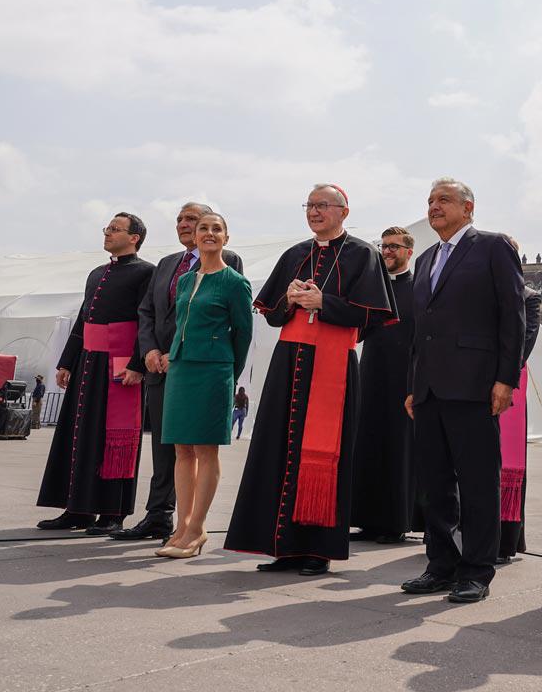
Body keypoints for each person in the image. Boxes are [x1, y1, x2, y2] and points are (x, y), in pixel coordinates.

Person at [224, 185, 396, 575]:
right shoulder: (294, 254)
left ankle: (317, 549)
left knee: (324, 454)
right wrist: (288, 299)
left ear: (343, 211)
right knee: (278, 448)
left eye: (322, 205)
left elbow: (372, 317)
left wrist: (325, 303)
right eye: (309, 205)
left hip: (332, 362)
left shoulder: (363, 254)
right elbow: (272, 315)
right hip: (288, 361)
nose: (314, 212)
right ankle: (282, 546)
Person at [401, 178, 525, 604]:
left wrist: (506, 379)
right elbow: (420, 330)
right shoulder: (426, 259)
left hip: (474, 385)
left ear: (468, 208)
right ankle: (440, 564)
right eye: (430, 201)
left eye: (444, 200)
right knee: (434, 485)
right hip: (429, 389)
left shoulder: (492, 247)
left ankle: (476, 570)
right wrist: (413, 385)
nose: (434, 207)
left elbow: (512, 315)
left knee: (477, 483)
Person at [114, 203, 244, 542]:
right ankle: (161, 516)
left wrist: (220, 371)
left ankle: (192, 526)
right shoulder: (170, 267)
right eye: (182, 220)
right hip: (162, 367)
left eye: (194, 220)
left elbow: (234, 330)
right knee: (167, 448)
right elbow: (148, 312)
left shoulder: (229, 266)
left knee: (200, 449)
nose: (187, 225)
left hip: (202, 367)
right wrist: (150, 352)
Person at [36, 214, 155, 534]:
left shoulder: (146, 271)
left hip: (121, 364)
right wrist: (66, 362)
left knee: (115, 438)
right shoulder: (96, 273)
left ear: (134, 238)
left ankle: (113, 513)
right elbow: (83, 319)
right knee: (80, 434)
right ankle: (78, 509)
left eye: (115, 229)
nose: (107, 233)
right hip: (88, 362)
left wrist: (137, 364)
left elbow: (148, 320)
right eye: (107, 228)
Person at [155, 212, 253, 559]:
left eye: (216, 229)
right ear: (194, 237)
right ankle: (181, 526)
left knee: (206, 450)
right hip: (181, 368)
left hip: (213, 370)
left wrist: (228, 374)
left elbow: (243, 334)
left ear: (226, 237)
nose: (209, 233)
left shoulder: (235, 282)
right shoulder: (185, 281)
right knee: (182, 450)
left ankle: (197, 528)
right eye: (203, 229)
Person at [350, 226, 422, 543]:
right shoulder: (372, 288)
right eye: (384, 246)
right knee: (367, 444)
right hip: (371, 374)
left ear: (409, 252)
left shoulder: (419, 289)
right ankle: (366, 520)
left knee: (399, 449)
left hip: (405, 379)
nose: (388, 251)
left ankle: (395, 524)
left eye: (394, 246)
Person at [497, 234, 542, 564]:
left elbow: (526, 340)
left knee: (507, 461)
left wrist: (500, 373)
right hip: (474, 382)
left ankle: (504, 539)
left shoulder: (530, 297)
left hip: (508, 381)